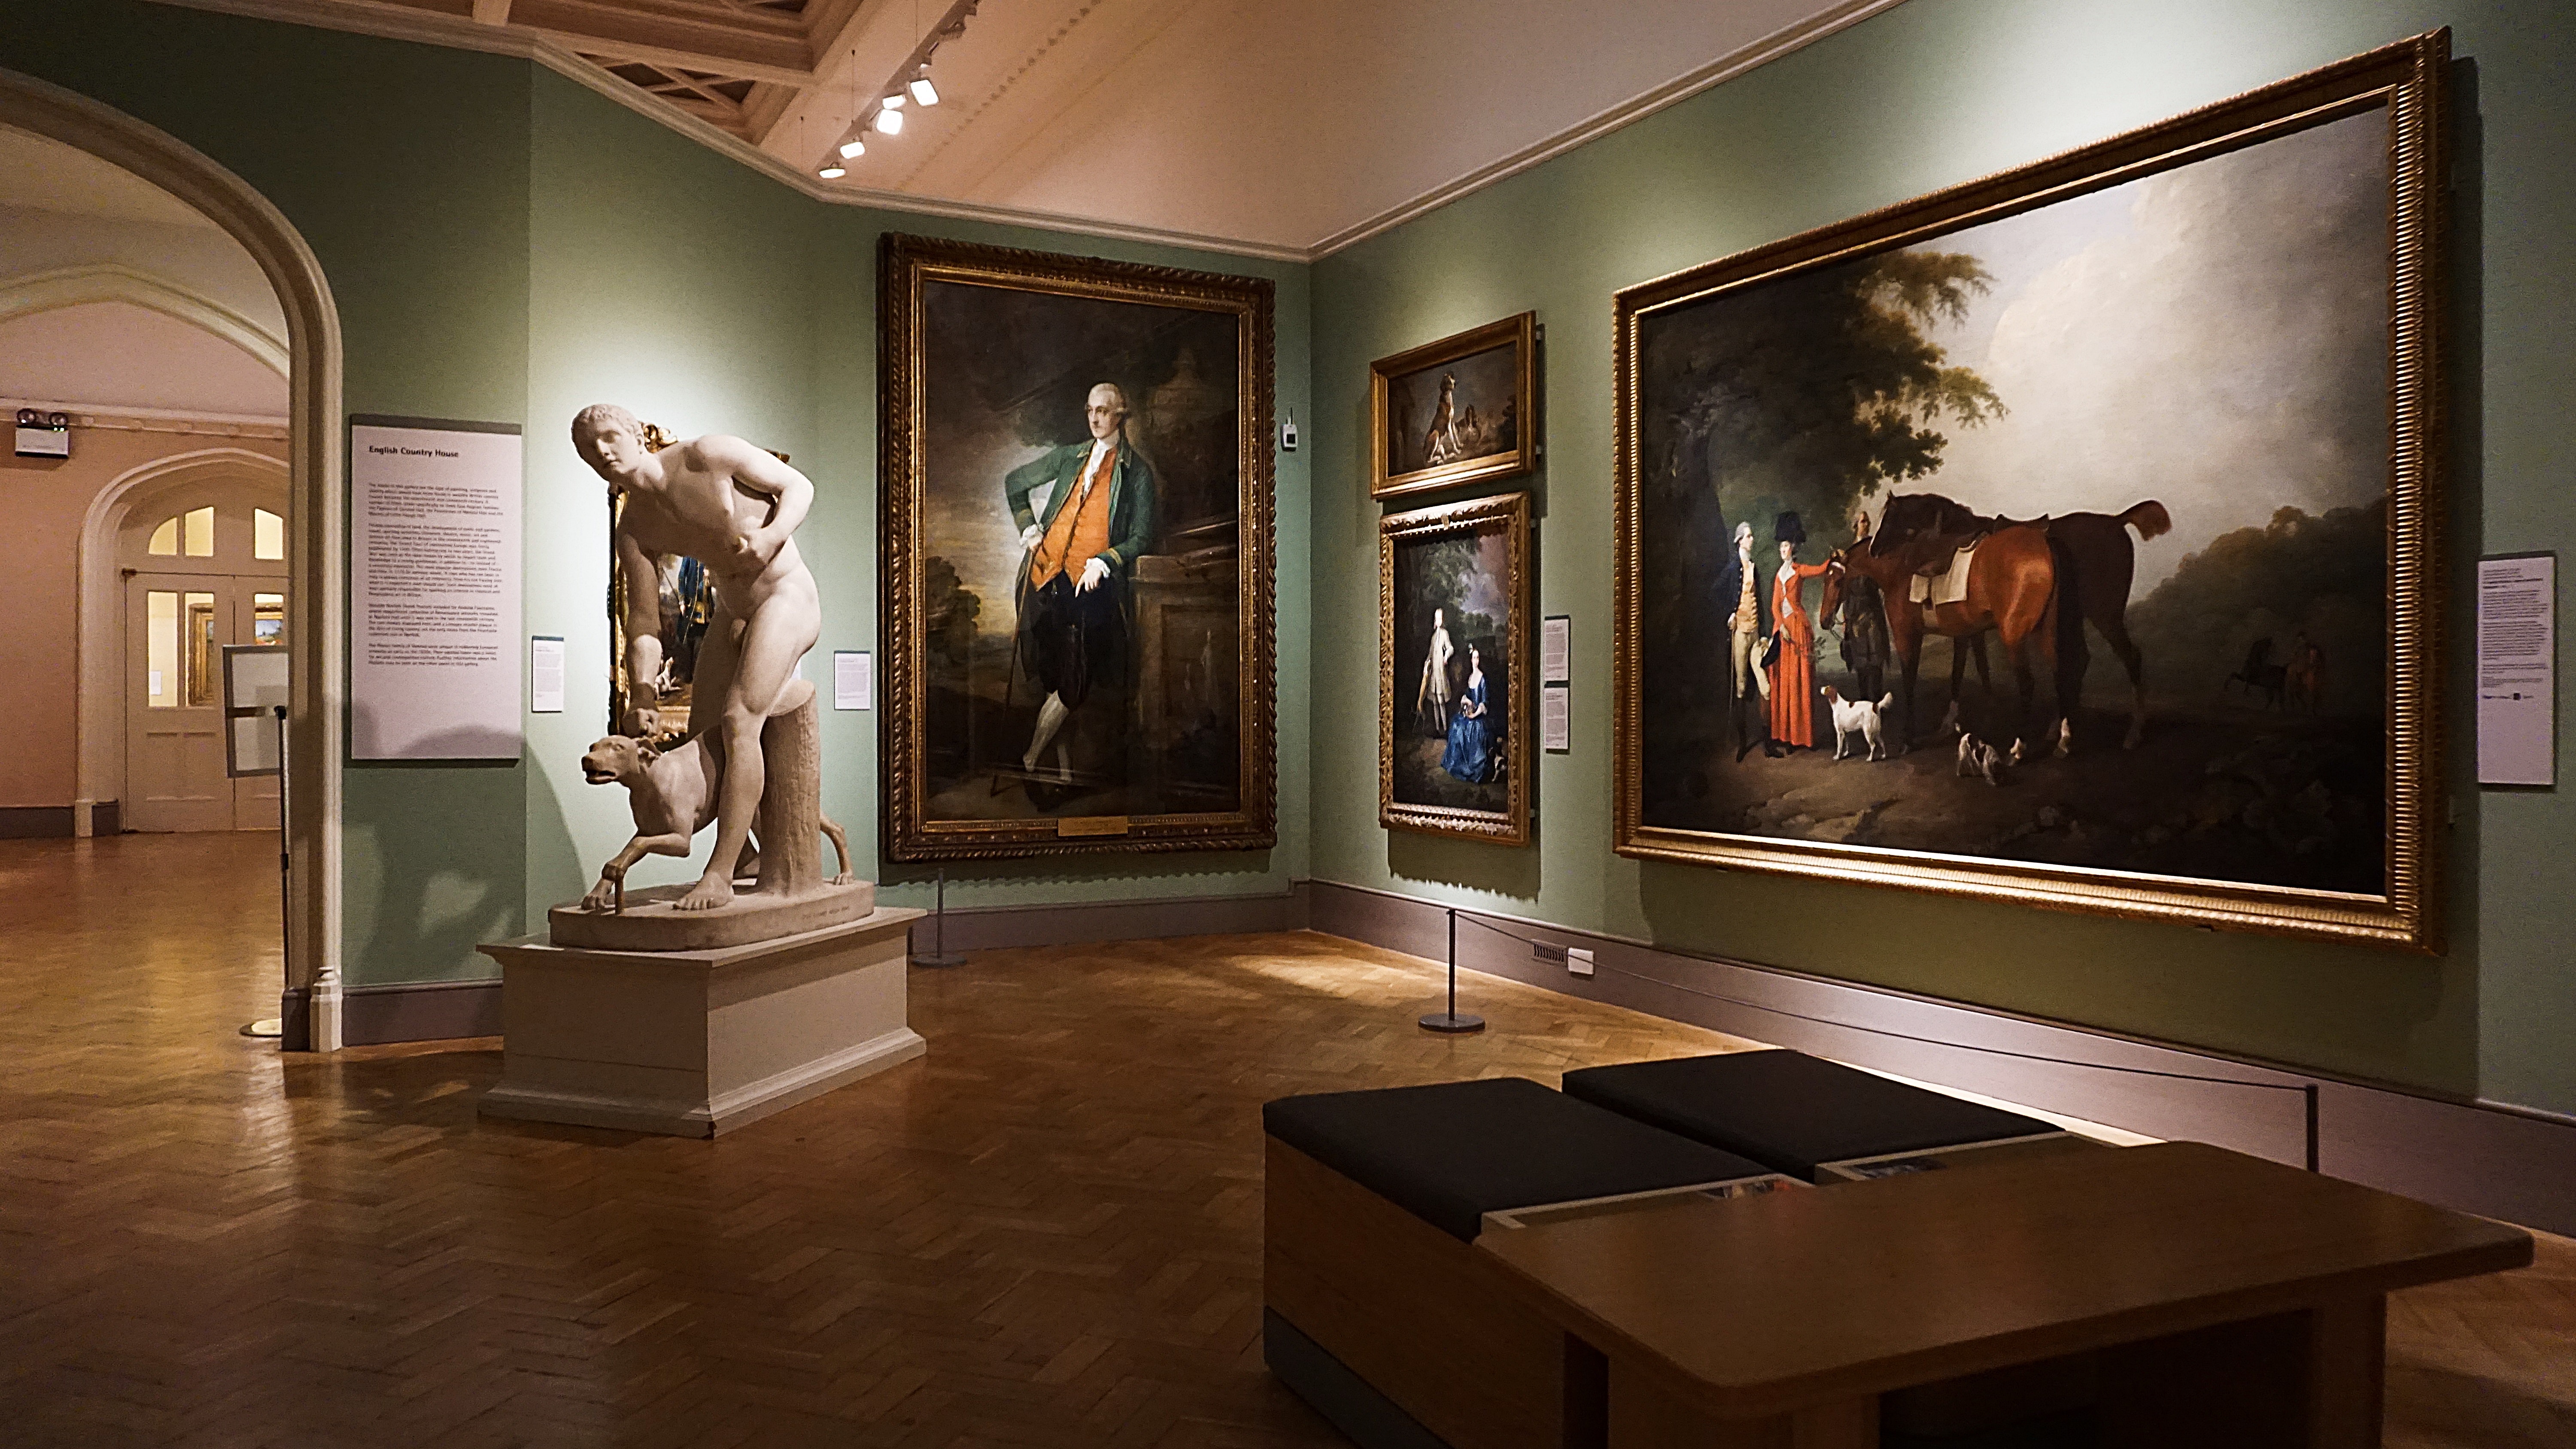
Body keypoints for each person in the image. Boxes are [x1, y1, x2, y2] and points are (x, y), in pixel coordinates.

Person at [574, 403, 820, 912]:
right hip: (733, 611)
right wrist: (643, 693)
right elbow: (644, 622)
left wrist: (771, 537)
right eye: (588, 449)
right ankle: (746, 855)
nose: (601, 452)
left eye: (609, 437)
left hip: (786, 596)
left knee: (739, 721)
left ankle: (720, 874)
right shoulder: (635, 529)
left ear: (637, 435)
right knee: (702, 732)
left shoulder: (708, 455)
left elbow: (799, 486)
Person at [1002, 382, 1158, 784]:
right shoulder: (1069, 457)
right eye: (1090, 410)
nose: (1094, 418)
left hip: (1090, 588)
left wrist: (1106, 561)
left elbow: (1143, 537)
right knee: (1053, 681)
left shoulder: (1137, 473)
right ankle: (1065, 774)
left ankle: (1030, 758)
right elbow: (1014, 483)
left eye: (1103, 411)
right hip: (1044, 579)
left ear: (1121, 415)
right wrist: (1029, 529)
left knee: (1073, 687)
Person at [1768, 511, 1832, 751]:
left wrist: (1833, 559)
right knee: (1784, 682)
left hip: (1799, 629)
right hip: (1783, 630)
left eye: (1786, 546)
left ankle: (1801, 736)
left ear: (1793, 547)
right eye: (1781, 546)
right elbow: (1775, 606)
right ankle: (1784, 735)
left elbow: (1821, 569)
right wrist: (1781, 627)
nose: (1782, 550)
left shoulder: (1800, 570)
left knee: (1799, 682)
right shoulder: (1779, 575)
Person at [1722, 520, 1772, 760]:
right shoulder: (1733, 568)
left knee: (1765, 687)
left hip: (1755, 634)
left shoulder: (1754, 567)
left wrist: (1763, 632)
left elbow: (1759, 601)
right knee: (1741, 688)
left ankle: (1768, 743)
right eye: (1749, 536)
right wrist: (1729, 614)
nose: (1752, 540)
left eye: (1751, 536)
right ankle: (1743, 744)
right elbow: (1716, 591)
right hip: (1740, 634)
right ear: (1740, 541)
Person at [1442, 643, 1495, 783]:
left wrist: (1474, 714)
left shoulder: (1483, 679)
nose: (1476, 661)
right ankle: (1456, 763)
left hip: (1479, 718)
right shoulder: (1471, 677)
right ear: (1471, 660)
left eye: (1478, 658)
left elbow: (1484, 702)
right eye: (1474, 658)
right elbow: (1467, 696)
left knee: (1472, 730)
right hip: (1470, 714)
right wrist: (1466, 702)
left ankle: (1472, 766)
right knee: (1456, 725)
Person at [1416, 607, 1455, 732]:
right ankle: (1438, 728)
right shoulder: (1433, 637)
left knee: (1441, 700)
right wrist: (1426, 664)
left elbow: (1451, 648)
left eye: (1440, 619)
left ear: (1443, 620)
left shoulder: (1444, 634)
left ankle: (1445, 728)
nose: (1438, 621)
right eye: (1436, 619)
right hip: (1434, 672)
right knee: (1435, 702)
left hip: (1441, 672)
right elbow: (1430, 654)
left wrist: (1446, 655)